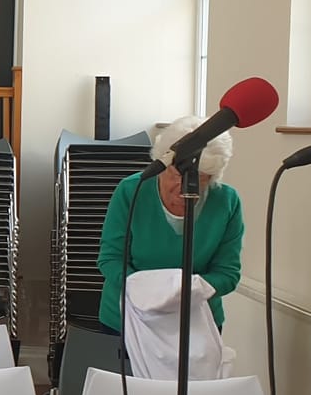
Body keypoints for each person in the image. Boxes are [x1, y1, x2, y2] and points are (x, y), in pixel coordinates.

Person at [97, 114, 244, 332]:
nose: (184, 187)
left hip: (197, 321)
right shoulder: (131, 191)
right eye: (177, 175)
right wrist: (151, 291)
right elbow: (111, 259)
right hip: (129, 319)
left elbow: (228, 273)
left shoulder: (226, 201)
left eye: (199, 179)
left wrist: (189, 292)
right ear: (162, 163)